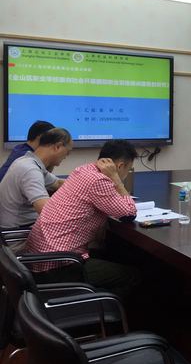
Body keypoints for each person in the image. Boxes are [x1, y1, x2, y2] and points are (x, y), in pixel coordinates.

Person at [24, 139, 140, 299]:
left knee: (108, 254)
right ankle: (97, 308)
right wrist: (117, 180)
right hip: (59, 266)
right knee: (133, 275)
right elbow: (129, 214)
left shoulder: (83, 170)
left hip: (39, 257)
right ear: (120, 166)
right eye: (128, 169)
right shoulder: (100, 180)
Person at [0, 128, 71, 229]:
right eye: (68, 152)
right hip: (17, 232)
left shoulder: (28, 161)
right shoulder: (30, 169)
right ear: (58, 147)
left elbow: (58, 183)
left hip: (23, 225)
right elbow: (47, 211)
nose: (66, 156)